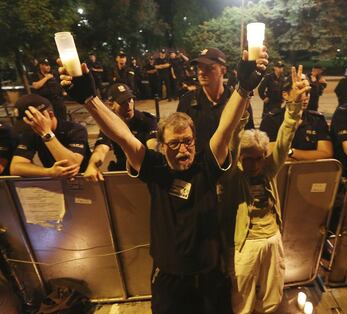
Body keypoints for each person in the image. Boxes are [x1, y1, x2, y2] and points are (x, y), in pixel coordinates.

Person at [59, 47, 268, 314]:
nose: (183, 150)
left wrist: (243, 89)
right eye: (175, 143)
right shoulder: (155, 168)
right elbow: (124, 137)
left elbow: (224, 130)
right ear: (161, 145)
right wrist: (90, 98)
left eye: (188, 142)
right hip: (170, 280)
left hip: (209, 276)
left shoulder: (206, 164)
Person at [220, 66, 310, 314]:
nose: (254, 164)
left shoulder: (268, 170)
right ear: (240, 158)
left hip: (272, 238)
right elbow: (233, 138)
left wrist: (294, 106)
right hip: (245, 242)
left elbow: (284, 139)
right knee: (242, 297)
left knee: (273, 293)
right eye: (248, 159)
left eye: (259, 158)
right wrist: (244, 97)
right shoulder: (233, 176)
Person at [177, 48, 255, 152]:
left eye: (209, 68)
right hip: (199, 164)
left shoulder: (237, 101)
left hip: (230, 164)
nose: (201, 72)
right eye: (199, 67)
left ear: (223, 70)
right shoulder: (187, 101)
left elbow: (249, 135)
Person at [84, 83, 157, 182]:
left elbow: (153, 145)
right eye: (122, 102)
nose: (128, 105)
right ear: (111, 104)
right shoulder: (110, 126)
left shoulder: (146, 120)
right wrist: (92, 165)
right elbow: (101, 149)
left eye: (130, 100)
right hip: (124, 173)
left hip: (147, 169)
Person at [10, 95, 90, 178]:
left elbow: (70, 166)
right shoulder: (31, 132)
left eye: (35, 122)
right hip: (55, 183)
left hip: (83, 179)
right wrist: (49, 172)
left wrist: (46, 133)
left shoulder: (75, 129)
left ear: (50, 115)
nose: (32, 127)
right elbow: (15, 167)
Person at [260, 79, 333, 161]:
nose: (305, 96)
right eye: (300, 91)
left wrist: (291, 152)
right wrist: (309, 155)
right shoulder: (271, 119)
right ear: (285, 95)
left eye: (307, 92)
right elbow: (271, 155)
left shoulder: (317, 119)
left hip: (311, 172)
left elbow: (326, 153)